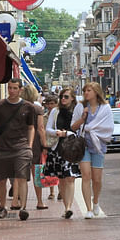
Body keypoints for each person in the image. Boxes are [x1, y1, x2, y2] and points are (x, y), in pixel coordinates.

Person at [0, 78, 36, 222]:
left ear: (21, 90)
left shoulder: (28, 107)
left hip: (21, 147)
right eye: (10, 88)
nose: (12, 91)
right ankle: (3, 207)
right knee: (1, 179)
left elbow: (31, 127)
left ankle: (23, 208)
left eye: (15, 88)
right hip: (2, 148)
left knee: (21, 177)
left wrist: (29, 146)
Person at [71, 82, 113, 219]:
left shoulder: (105, 108)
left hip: (98, 145)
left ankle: (95, 201)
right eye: (85, 91)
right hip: (83, 145)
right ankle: (88, 208)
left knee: (97, 179)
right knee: (86, 175)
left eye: (89, 90)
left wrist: (94, 129)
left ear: (96, 92)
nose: (86, 93)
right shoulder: (81, 107)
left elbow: (108, 127)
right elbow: (73, 127)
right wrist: (83, 118)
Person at [45, 87, 80, 219]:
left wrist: (67, 133)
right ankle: (66, 207)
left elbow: (79, 129)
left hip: (72, 147)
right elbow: (48, 129)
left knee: (70, 177)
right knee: (62, 180)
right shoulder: (55, 111)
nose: (63, 99)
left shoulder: (76, 111)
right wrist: (56, 133)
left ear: (72, 98)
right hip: (57, 148)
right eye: (61, 97)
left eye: (66, 97)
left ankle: (69, 208)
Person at [21, 85, 49, 211]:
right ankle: (39, 201)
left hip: (20, 142)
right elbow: (41, 128)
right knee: (37, 172)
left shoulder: (19, 107)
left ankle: (19, 202)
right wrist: (45, 145)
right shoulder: (37, 108)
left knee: (20, 174)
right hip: (36, 143)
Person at [42, 95, 60, 202]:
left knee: (59, 169)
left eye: (52, 103)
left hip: (58, 144)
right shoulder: (43, 117)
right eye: (48, 104)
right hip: (48, 145)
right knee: (50, 170)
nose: (49, 106)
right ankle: (52, 192)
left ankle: (61, 191)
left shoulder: (59, 116)